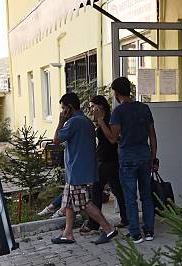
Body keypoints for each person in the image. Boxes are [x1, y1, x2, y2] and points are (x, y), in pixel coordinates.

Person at [95, 77, 158, 244]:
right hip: (144, 156)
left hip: (127, 159)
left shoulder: (118, 112)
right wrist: (153, 157)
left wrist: (101, 120)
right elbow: (152, 136)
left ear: (116, 93)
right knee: (146, 195)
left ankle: (136, 234)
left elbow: (112, 139)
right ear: (129, 90)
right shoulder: (144, 108)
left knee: (130, 197)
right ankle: (150, 231)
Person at [51, 93, 117, 245]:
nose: (62, 112)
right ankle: (67, 233)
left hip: (77, 171)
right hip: (81, 169)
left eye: (63, 109)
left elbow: (56, 140)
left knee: (83, 203)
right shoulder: (86, 121)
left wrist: (61, 121)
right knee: (68, 201)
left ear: (69, 108)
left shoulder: (73, 122)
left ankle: (108, 228)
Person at [80, 95, 128, 235]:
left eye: (92, 106)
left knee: (97, 192)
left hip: (108, 162)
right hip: (105, 160)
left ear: (100, 106)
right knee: (117, 191)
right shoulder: (104, 121)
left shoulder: (108, 120)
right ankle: (126, 218)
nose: (91, 109)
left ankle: (94, 223)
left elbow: (113, 139)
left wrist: (100, 120)